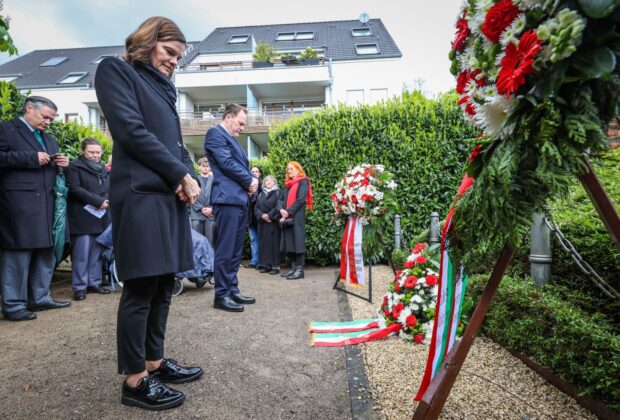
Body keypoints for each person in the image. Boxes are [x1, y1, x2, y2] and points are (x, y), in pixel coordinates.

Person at [95, 16, 203, 411]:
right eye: (169, 52)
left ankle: (154, 362)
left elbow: (173, 145)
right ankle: (135, 379)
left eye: (179, 57)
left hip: (167, 195)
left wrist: (187, 174)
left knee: (164, 282)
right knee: (141, 285)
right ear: (148, 40)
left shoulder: (165, 88)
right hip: (140, 195)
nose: (174, 61)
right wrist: (178, 173)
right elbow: (130, 131)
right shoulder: (116, 71)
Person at [0, 96, 71, 322]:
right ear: (29, 109)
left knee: (45, 251)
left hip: (48, 203)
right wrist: (30, 157)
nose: (49, 122)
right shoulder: (6, 129)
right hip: (18, 204)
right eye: (45, 117)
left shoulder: (49, 139)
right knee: (18, 253)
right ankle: (13, 304)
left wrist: (63, 165)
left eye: (52, 119)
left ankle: (40, 297)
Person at [204, 104, 259, 312]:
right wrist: (250, 180)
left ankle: (232, 289)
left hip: (238, 200)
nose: (242, 128)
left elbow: (236, 164)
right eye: (240, 123)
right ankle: (221, 295)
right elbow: (226, 163)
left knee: (235, 250)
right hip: (227, 200)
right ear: (228, 117)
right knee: (225, 249)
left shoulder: (232, 140)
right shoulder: (215, 134)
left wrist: (249, 183)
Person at [66, 137, 111, 301]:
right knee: (81, 254)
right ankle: (79, 287)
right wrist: (98, 201)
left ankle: (94, 282)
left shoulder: (104, 169)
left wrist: (106, 200)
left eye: (98, 152)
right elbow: (74, 189)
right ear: (83, 151)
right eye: (91, 152)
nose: (95, 155)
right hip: (82, 216)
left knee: (96, 253)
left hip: (101, 216)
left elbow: (110, 188)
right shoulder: (74, 167)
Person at [279, 161, 313, 280]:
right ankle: (294, 268)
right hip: (287, 216)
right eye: (288, 169)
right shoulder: (288, 185)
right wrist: (282, 211)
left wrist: (288, 211)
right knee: (290, 243)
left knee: (298, 243)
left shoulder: (303, 181)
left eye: (292, 168)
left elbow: (300, 200)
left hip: (297, 216)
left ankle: (300, 270)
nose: (289, 171)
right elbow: (281, 199)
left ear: (298, 170)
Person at [254, 175, 282, 275]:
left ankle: (275, 266)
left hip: (273, 223)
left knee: (274, 244)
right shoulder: (261, 194)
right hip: (263, 223)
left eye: (271, 181)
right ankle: (265, 265)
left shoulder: (278, 192)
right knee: (264, 244)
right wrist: (262, 215)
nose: (269, 182)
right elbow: (255, 208)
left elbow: (278, 207)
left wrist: (269, 215)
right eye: (267, 181)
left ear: (275, 183)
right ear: (264, 183)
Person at [189, 157, 216, 246]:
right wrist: (201, 208)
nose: (205, 168)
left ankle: (210, 260)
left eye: (207, 166)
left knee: (210, 242)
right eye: (203, 166)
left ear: (210, 167)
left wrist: (212, 209)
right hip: (196, 215)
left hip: (211, 215)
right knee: (197, 242)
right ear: (199, 166)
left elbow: (217, 196)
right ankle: (197, 260)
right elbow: (191, 194)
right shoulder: (194, 179)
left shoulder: (215, 180)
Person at [244, 166, 261, 269]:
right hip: (250, 218)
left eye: (256, 171)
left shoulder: (263, 186)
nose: (254, 173)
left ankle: (261, 261)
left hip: (259, 218)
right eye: (252, 171)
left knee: (262, 240)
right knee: (253, 240)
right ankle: (254, 261)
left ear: (259, 174)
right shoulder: (247, 186)